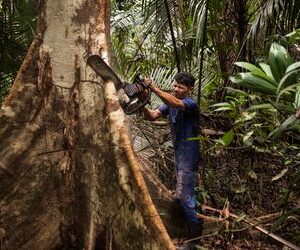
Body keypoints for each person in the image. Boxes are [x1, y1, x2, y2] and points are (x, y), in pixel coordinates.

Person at [141, 72, 203, 239]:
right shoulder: (170, 105)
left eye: (181, 87)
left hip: (189, 157)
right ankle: (194, 221)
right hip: (179, 156)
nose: (176, 89)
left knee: (183, 196)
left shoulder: (190, 104)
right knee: (185, 194)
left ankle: (195, 238)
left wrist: (153, 87)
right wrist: (141, 103)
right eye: (175, 85)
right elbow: (152, 116)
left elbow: (175, 102)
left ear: (190, 89)